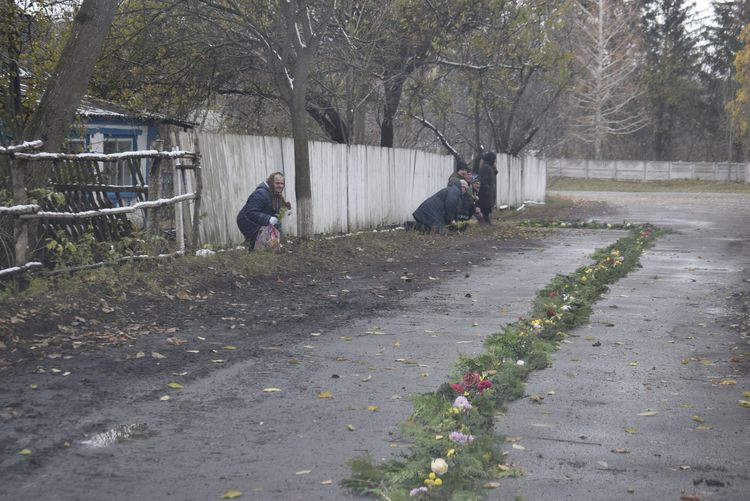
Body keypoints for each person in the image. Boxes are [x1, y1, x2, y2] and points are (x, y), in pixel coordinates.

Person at [236, 171, 291, 250]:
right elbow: (251, 212)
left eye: (282, 184)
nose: (280, 186)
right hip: (247, 221)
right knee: (262, 245)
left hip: (260, 222)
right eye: (277, 183)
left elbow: (274, 213)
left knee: (270, 245)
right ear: (271, 183)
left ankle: (253, 247)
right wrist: (268, 219)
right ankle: (251, 246)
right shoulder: (260, 194)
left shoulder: (276, 195)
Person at [477, 152, 497, 224]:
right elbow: (483, 180)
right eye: (494, 159)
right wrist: (487, 190)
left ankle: (487, 221)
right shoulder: (485, 167)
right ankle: (485, 221)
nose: (495, 161)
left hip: (488, 192)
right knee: (485, 208)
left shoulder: (489, 167)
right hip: (484, 193)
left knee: (487, 208)